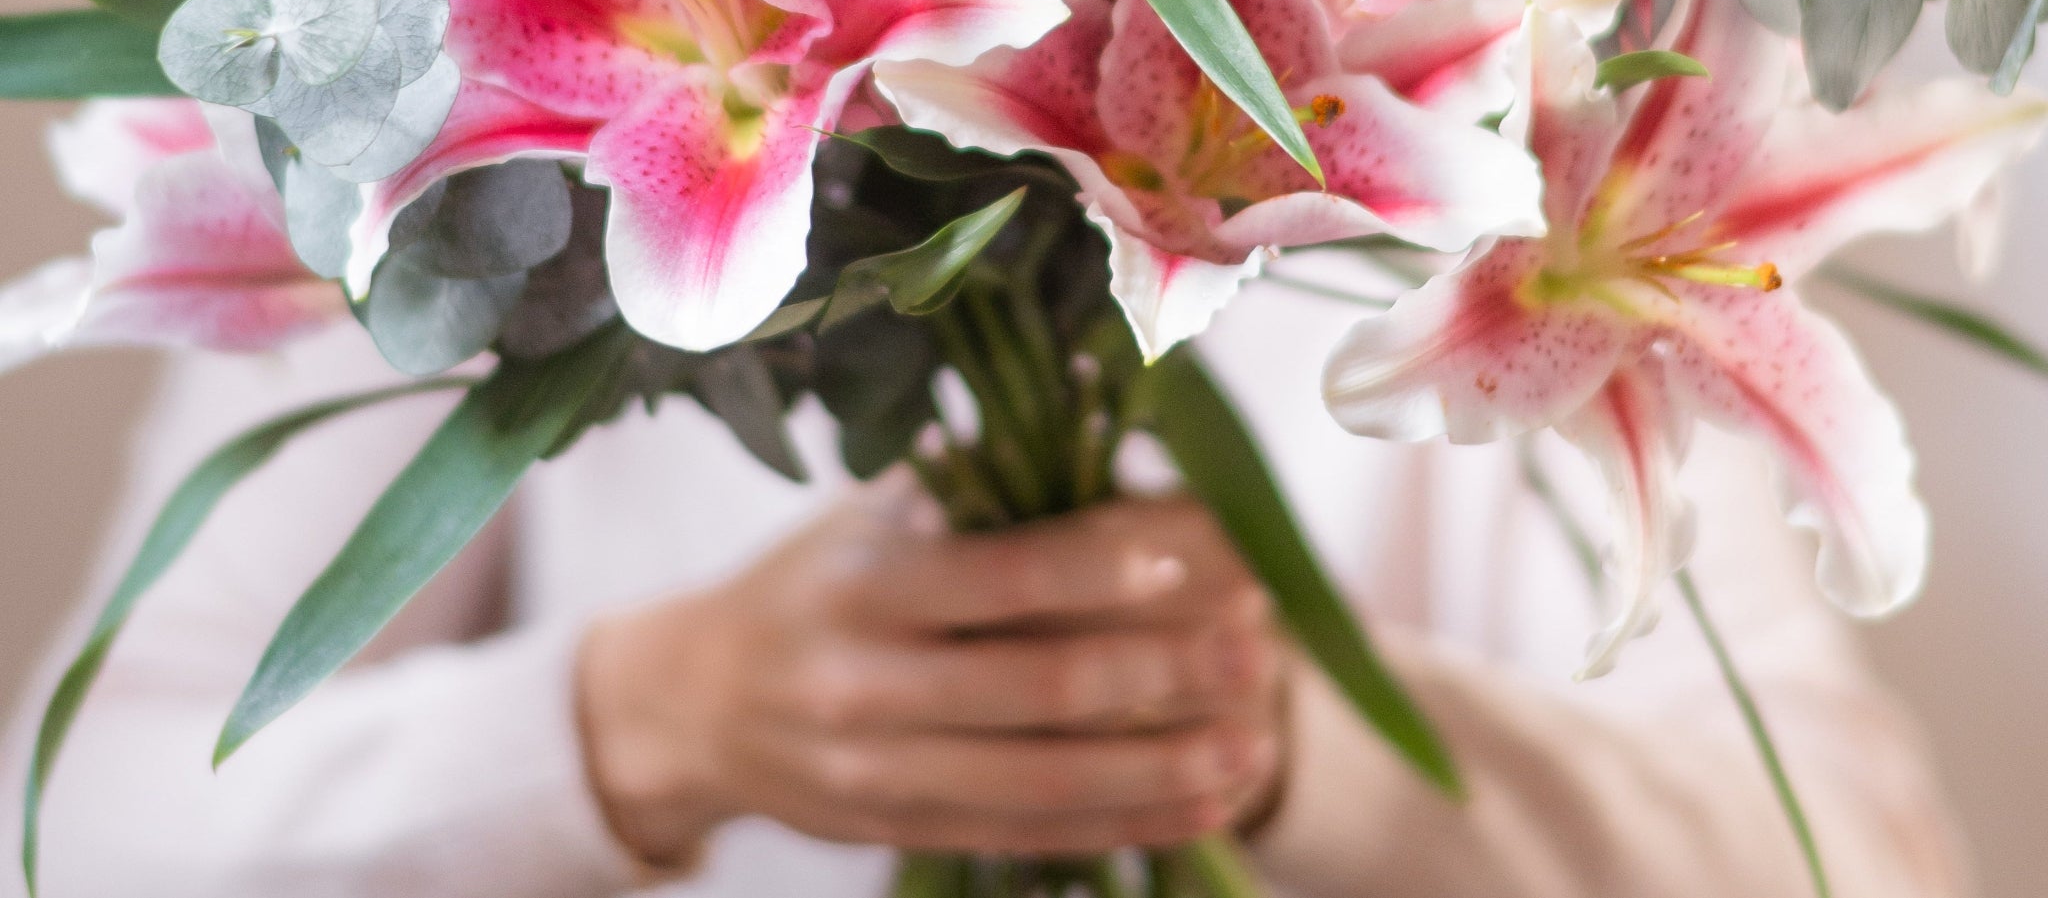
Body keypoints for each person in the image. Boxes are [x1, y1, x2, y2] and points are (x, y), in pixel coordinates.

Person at [3, 273, 1968, 896]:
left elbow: (1857, 860)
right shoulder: (458, 103)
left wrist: (1298, 740)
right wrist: (635, 721)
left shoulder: (1462, 127)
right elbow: (65, 825)